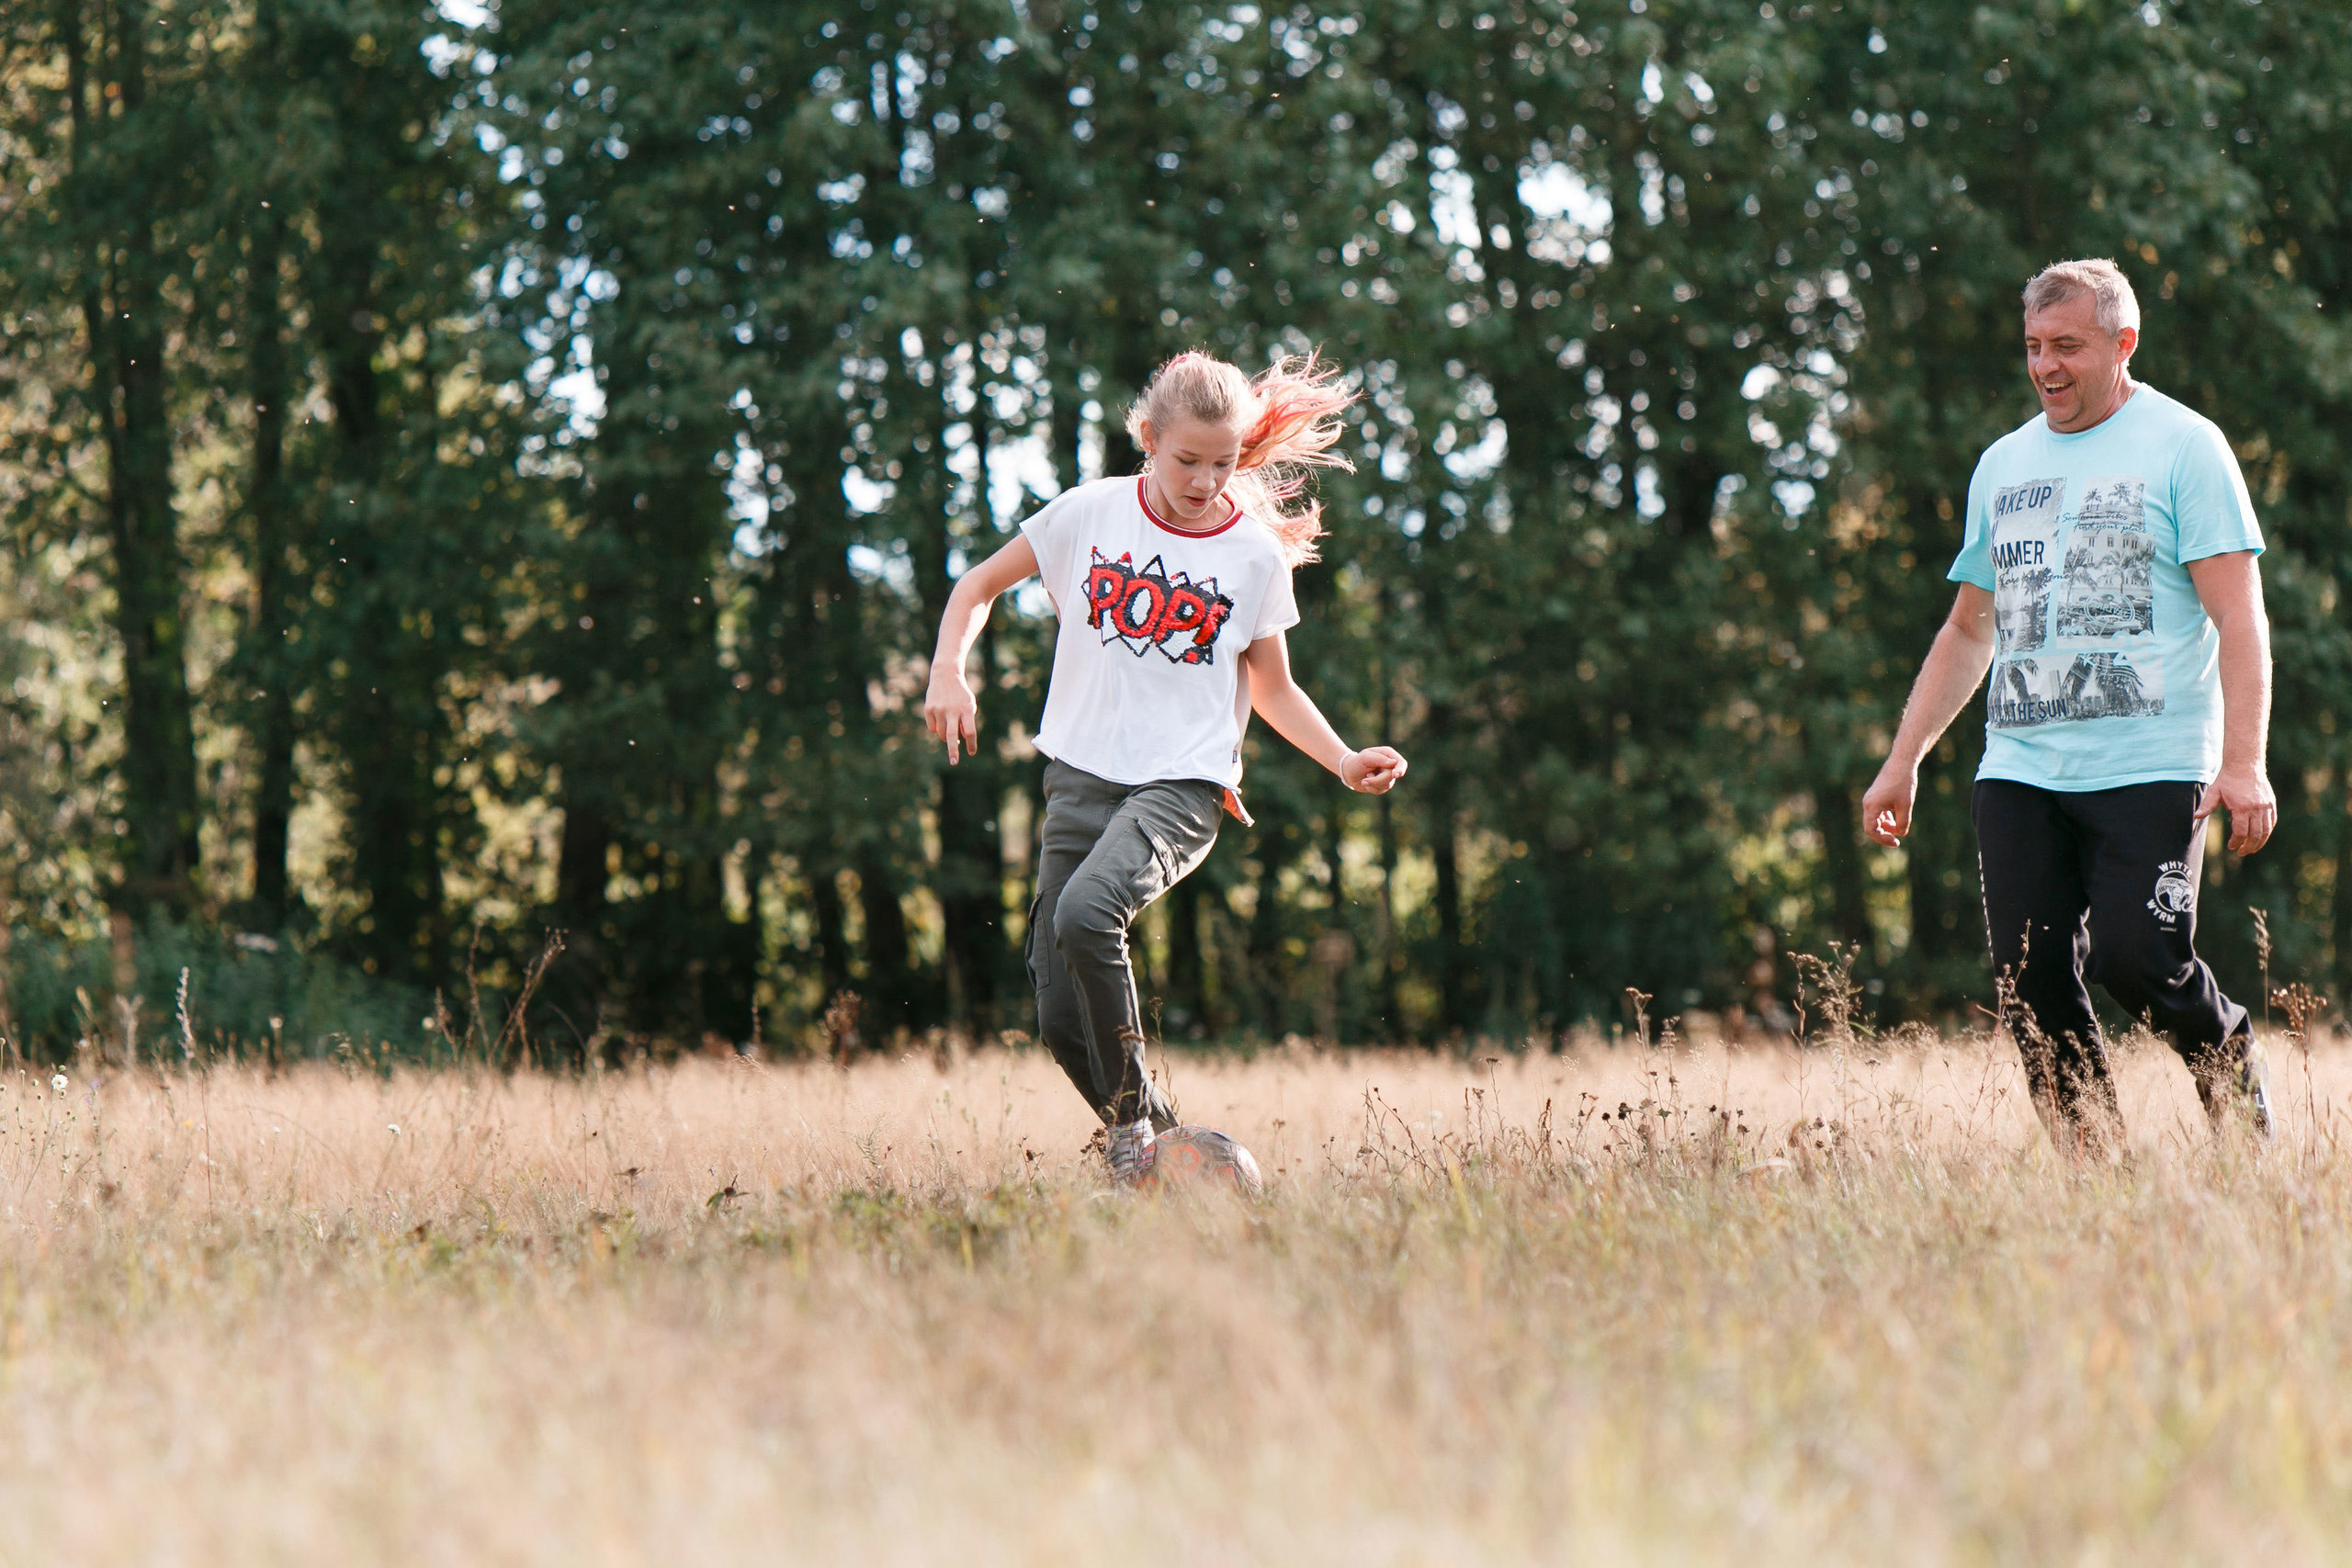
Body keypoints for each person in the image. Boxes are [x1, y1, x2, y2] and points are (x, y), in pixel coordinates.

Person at [922, 351, 1408, 1180]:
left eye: (1224, 463)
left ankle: (1126, 1142)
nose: (1206, 480)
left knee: (1086, 914)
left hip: (1182, 785)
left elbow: (1273, 687)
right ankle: (1174, 1160)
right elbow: (976, 587)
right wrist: (946, 669)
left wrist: (1342, 757)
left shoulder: (1252, 555)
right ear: (1147, 438)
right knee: (1058, 1015)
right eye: (1187, 459)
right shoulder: (1089, 514)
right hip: (1078, 779)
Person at [1860, 258, 2275, 1153]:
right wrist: (1904, 760)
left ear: (2122, 345)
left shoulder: (2184, 446)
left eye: (2068, 347)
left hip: (2152, 764)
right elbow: (1969, 629)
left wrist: (2243, 762)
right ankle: (2097, 1177)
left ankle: (2241, 1113)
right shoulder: (2003, 465)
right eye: (2033, 347)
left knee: (2141, 960)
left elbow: (2237, 617)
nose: (2046, 366)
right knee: (2027, 981)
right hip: (2018, 769)